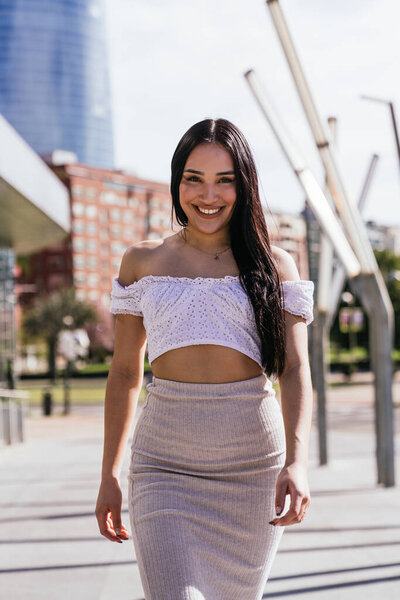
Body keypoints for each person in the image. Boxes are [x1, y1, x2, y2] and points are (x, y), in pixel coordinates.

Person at [95, 118, 314, 599]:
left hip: (253, 469)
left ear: (245, 185)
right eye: (194, 178)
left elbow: (295, 371)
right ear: (177, 182)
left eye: (225, 180)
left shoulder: (276, 266)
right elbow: (126, 373)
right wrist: (110, 472)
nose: (207, 194)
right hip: (164, 467)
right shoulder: (142, 262)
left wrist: (297, 463)